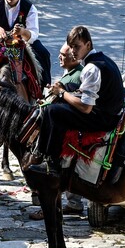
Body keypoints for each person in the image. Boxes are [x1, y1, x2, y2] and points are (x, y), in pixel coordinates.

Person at [27, 25, 125, 178]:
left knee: (53, 111)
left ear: (88, 44)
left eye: (77, 46)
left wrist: (61, 92)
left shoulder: (91, 68)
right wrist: (67, 90)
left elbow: (86, 108)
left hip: (103, 119)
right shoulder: (104, 59)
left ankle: (51, 162)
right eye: (71, 47)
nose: (73, 51)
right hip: (109, 111)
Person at [29, 43, 85, 220]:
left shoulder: (77, 76)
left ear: (74, 56)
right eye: (60, 54)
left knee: (53, 169)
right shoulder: (71, 73)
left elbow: (68, 102)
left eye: (63, 55)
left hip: (64, 133)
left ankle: (51, 206)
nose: (59, 57)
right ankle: (73, 203)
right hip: (62, 129)